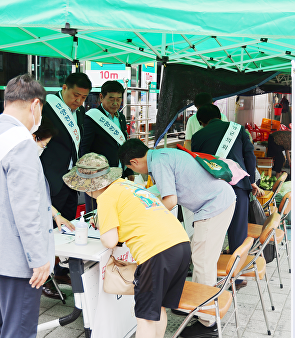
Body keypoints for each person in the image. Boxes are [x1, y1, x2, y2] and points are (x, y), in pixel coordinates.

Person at [64, 153, 191, 338]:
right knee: (158, 308)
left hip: (156, 252)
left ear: (88, 186)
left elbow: (109, 241)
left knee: (145, 318)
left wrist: (104, 225)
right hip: (181, 244)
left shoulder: (106, 197)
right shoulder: (127, 185)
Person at [118, 138, 235, 337]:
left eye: (131, 170)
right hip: (217, 201)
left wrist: (145, 217)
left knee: (203, 261)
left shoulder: (159, 162)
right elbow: (163, 190)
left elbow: (170, 200)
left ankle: (208, 324)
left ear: (134, 163)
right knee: (200, 259)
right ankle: (197, 308)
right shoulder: (163, 154)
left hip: (214, 206)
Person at [0, 74, 53, 337]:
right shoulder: (21, 142)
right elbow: (26, 206)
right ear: (35, 105)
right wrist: (38, 258)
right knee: (19, 330)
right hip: (16, 259)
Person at [39, 72, 91, 302]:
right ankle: (43, 276)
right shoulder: (47, 107)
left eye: (83, 98)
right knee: (46, 227)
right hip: (49, 178)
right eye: (76, 95)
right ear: (64, 87)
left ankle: (59, 267)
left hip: (71, 180)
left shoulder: (79, 113)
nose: (79, 101)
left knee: (66, 226)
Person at [191, 104, 260, 273]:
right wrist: (251, 180)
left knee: (212, 231)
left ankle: (212, 271)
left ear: (201, 122)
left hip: (213, 189)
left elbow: (196, 164)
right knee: (238, 231)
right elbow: (249, 154)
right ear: (220, 116)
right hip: (239, 185)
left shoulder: (198, 136)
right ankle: (238, 274)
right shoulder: (238, 130)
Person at [80, 80, 132, 213]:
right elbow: (84, 149)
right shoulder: (92, 118)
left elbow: (122, 145)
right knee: (97, 214)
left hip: (118, 175)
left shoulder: (120, 117)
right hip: (98, 178)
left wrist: (129, 171)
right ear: (101, 97)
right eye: (111, 99)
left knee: (116, 212)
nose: (115, 103)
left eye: (119, 99)